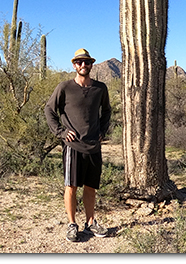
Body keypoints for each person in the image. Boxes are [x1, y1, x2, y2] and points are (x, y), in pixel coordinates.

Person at [44, 48, 112, 242]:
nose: (84, 65)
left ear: (91, 64)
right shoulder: (64, 87)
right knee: (71, 186)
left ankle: (90, 224)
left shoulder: (100, 88)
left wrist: (102, 131)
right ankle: (72, 224)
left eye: (87, 62)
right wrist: (62, 132)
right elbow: (49, 110)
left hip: (94, 146)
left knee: (91, 187)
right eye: (80, 62)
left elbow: (107, 111)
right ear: (74, 65)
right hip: (73, 146)